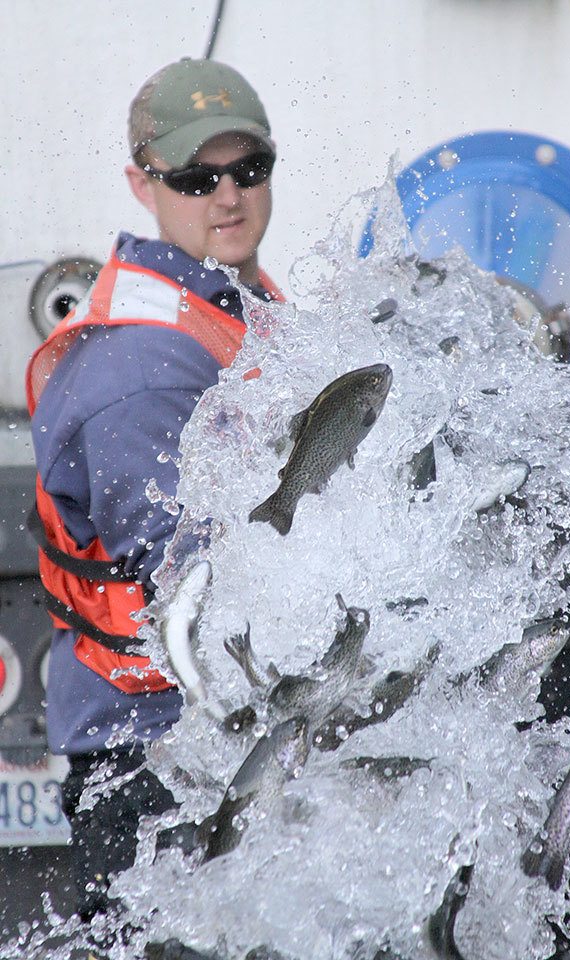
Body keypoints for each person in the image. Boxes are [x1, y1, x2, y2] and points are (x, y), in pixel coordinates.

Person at [26, 57, 283, 957]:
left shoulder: (233, 302)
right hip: (152, 759)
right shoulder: (141, 368)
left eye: (247, 168)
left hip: (206, 737)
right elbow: (189, 593)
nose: (227, 196)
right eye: (194, 176)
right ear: (143, 183)